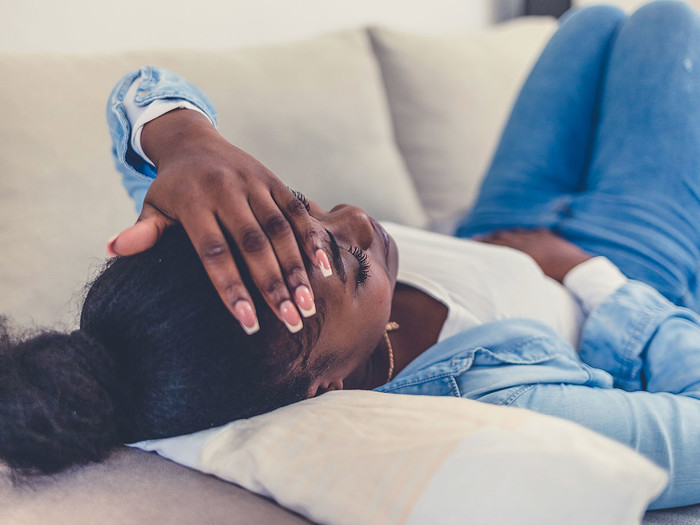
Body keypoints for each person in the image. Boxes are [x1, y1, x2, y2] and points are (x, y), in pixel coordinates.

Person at [2, 0, 700, 510]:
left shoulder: (218, 291)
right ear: (323, 384)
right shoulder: (502, 403)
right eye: (354, 264)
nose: (359, 219)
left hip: (495, 221)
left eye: (307, 206)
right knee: (666, 22)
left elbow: (137, 97)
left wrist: (183, 140)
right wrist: (589, 275)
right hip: (620, 263)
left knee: (592, 23)